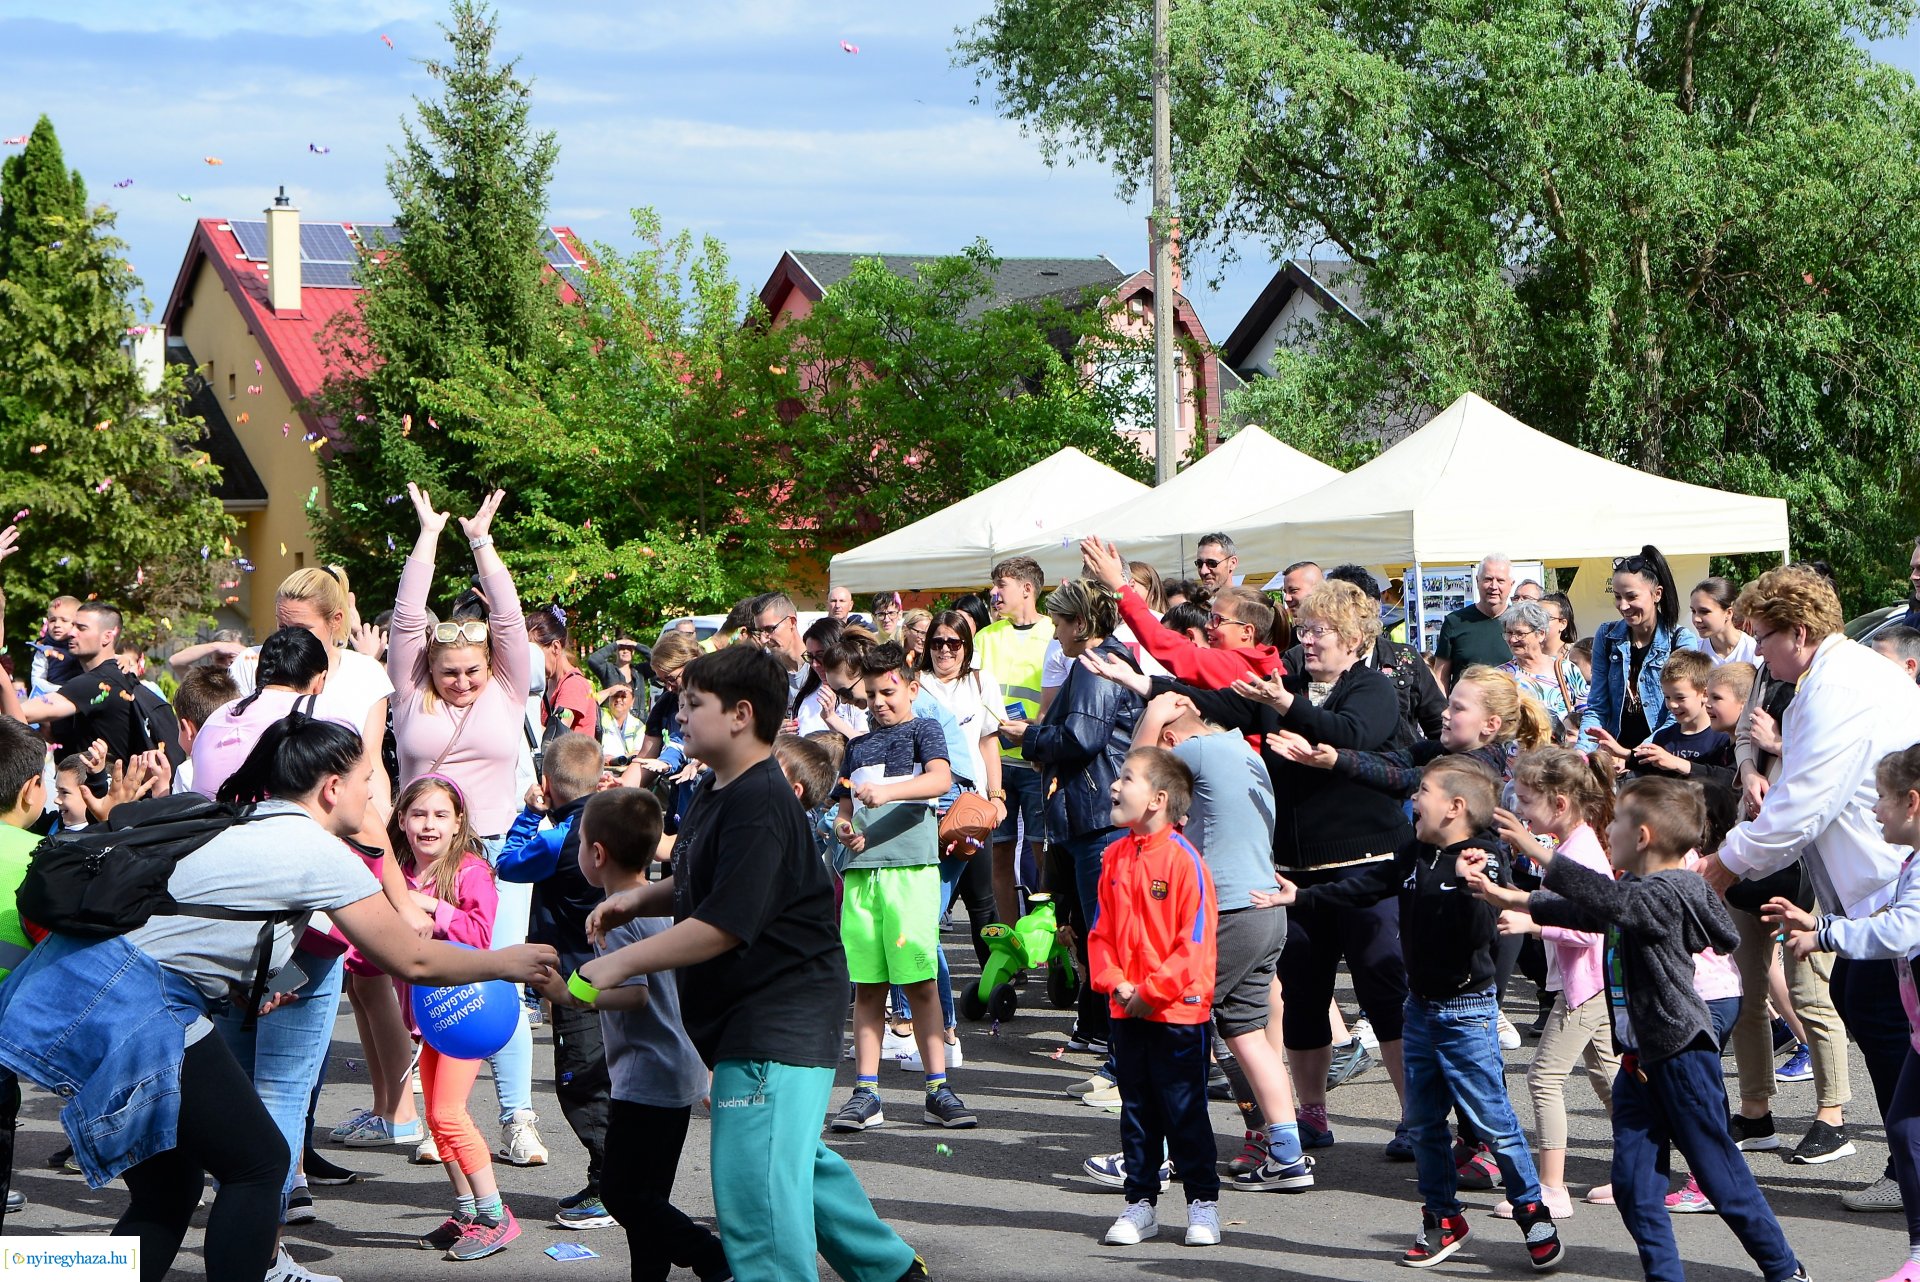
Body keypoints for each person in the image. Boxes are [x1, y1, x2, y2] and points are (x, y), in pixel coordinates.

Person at [0, 717, 559, 1282]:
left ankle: (40, 1273)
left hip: (75, 986)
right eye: (369, 780)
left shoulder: (248, 818)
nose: (374, 795)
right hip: (135, 1004)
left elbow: (196, 922)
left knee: (171, 1189)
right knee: (260, 1165)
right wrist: (506, 962)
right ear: (332, 788)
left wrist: (252, 984)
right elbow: (411, 958)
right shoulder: (316, 849)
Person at [578, 644, 930, 1282]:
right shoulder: (721, 788)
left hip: (774, 1021)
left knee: (757, 1196)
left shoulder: (760, 803)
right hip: (755, 1021)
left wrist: (614, 965)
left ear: (740, 715)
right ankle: (894, 1273)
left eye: (693, 703)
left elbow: (720, 926)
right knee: (794, 1165)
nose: (679, 715)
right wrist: (639, 898)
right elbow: (705, 881)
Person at [1088, 580, 1415, 1149]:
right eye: (1306, 629)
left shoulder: (1372, 686)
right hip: (1293, 874)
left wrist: (1286, 706)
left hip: (1366, 866)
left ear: (1356, 638)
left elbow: (1354, 733)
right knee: (1306, 1000)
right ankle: (1310, 1114)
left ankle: (1415, 1118)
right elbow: (1215, 700)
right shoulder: (1281, 683)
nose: (1308, 640)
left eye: (1321, 632)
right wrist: (1142, 683)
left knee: (1383, 995)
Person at [1475, 777, 1806, 1282]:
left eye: (1619, 824)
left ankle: (1785, 1270)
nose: (1610, 833)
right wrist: (1512, 898)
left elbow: (1610, 903)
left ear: (1644, 836)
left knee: (1720, 1177)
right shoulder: (1637, 890)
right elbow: (1595, 910)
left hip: (1680, 1057)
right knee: (1633, 1185)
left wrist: (1535, 853)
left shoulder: (1669, 891)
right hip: (1640, 1060)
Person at [1274, 756, 1564, 1271]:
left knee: (1493, 1121)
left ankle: (1532, 1211)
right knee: (1425, 1122)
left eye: (1423, 790)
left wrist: (1470, 889)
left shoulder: (1483, 857)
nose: (1414, 798)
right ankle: (1442, 1218)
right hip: (1422, 1010)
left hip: (1465, 1013)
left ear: (1454, 807)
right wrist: (1305, 896)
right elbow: (1371, 884)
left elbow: (1480, 929)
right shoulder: (1417, 851)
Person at [1702, 564, 1920, 1210]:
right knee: (1864, 999)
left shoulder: (1839, 687)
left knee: (1879, 1011)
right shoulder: (1811, 673)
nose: (1756, 649)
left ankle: (1907, 1172)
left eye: (1763, 636)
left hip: (1890, 882)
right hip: (1867, 881)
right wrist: (1747, 777)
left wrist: (1722, 866)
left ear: (1799, 630)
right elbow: (1765, 751)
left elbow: (1801, 808)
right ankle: (1903, 1160)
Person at [386, 483, 547, 1168]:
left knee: (499, 981)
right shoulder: (407, 690)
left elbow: (508, 622)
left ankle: (517, 1119)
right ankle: (436, 1119)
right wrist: (427, 536)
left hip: (493, 857)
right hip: (418, 854)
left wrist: (481, 542)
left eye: (471, 672)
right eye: (448, 671)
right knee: (425, 984)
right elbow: (402, 620)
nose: (459, 681)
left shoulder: (509, 688)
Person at [537, 787, 730, 1282]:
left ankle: (711, 1256)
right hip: (671, 1070)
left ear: (596, 854)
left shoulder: (620, 916)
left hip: (646, 1077)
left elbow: (635, 993)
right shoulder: (662, 907)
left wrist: (569, 993)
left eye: (580, 843)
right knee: (648, 1199)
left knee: (622, 1194)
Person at [1769, 744, 1920, 1282]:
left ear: (1912, 802)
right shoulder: (1910, 863)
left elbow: (1902, 930)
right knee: (1904, 1131)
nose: (1874, 810)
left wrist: (1825, 933)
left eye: (1881, 799)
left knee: (1908, 1132)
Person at [1004, 580, 1144, 1099]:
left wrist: (1028, 737)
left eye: (1060, 622)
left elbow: (1082, 738)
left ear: (1081, 624)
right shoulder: (1096, 663)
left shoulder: (1094, 666)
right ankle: (1114, 1052)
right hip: (1087, 818)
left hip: (1097, 820)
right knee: (1095, 938)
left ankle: (1121, 1064)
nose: (1055, 631)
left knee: (1110, 941)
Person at [827, 644, 976, 1132]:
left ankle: (938, 1088)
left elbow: (940, 778)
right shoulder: (858, 745)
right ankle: (866, 1093)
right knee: (868, 987)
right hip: (862, 875)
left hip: (911, 872)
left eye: (888, 692)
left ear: (912, 688)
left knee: (920, 983)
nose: (879, 702)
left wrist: (888, 792)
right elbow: (845, 806)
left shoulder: (923, 730)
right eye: (870, 694)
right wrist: (844, 828)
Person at [389, 774, 525, 1261]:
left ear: (458, 823)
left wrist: (428, 905)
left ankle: (495, 1214)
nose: (428, 825)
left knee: (448, 1112)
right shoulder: (397, 873)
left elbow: (478, 935)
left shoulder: (471, 872)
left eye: (440, 815)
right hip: (424, 1015)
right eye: (419, 814)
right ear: (401, 820)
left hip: (467, 1013)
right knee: (435, 1117)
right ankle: (467, 1210)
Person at [1091, 748, 1223, 1248]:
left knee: (1184, 1109)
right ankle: (1140, 1202)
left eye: (1126, 778)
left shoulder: (1186, 861)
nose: (1114, 787)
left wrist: (1151, 990)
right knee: (1137, 1107)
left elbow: (1195, 945)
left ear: (1158, 799)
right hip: (1127, 1008)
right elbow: (1100, 933)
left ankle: (1202, 1204)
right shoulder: (1115, 855)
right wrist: (1118, 983)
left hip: (1178, 1012)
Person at [1484, 747, 1619, 1216]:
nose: (1519, 809)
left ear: (1559, 803)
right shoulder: (1572, 845)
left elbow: (1591, 926)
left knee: (1543, 1079)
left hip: (1585, 986)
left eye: (1525, 800)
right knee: (1611, 1081)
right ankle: (1640, 1171)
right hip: (1591, 984)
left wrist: (1532, 924)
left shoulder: (1579, 851)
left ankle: (1553, 1188)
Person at [497, 732, 616, 1229]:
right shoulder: (617, 820)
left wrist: (529, 813)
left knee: (582, 1081)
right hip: (623, 968)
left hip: (576, 976)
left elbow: (508, 864)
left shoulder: (556, 835)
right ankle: (609, 1181)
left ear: (547, 783)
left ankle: (611, 1190)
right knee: (611, 1076)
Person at [175, 565, 398, 826]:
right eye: (282, 626)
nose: (289, 638)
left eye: (303, 628)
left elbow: (371, 758)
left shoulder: (366, 672)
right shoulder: (250, 663)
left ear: (336, 620)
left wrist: (383, 820)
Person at [914, 612, 1006, 971]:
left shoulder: (981, 683)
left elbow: (988, 743)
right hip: (927, 805)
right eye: (937, 642)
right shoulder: (915, 684)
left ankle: (995, 977)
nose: (945, 651)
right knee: (928, 899)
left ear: (966, 646)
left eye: (954, 643)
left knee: (981, 899)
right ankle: (919, 979)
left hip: (971, 804)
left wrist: (996, 797)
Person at [1081, 537, 1280, 690]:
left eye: (1218, 620)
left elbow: (1162, 642)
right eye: (1210, 617)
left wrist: (1117, 585)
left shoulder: (1234, 666)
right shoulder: (1266, 659)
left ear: (1247, 632)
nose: (1209, 625)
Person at [975, 556, 1055, 924]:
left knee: (1043, 859)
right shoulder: (985, 636)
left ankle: (1048, 943)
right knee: (1000, 857)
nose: (994, 593)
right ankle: (1010, 945)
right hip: (997, 764)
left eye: (1001, 585)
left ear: (1027, 589)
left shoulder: (1054, 631)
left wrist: (1037, 735)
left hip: (1039, 760)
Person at [1304, 564, 1444, 750]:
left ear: (1369, 609)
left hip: (1397, 769)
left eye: (1343, 607)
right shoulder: (1305, 658)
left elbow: (1439, 725)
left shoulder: (1404, 659)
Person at [1578, 546, 1700, 754]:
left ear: (1657, 594)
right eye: (1617, 597)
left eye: (1631, 597)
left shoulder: (1681, 640)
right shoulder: (1606, 636)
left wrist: (1631, 756)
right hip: (1613, 755)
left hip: (1660, 756)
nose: (1623, 606)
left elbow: (1677, 716)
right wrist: (1582, 752)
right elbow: (1597, 707)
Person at [188, 627, 330, 799]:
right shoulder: (322, 712)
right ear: (321, 680)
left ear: (257, 674)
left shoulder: (216, 717)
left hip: (210, 822)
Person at [18, 600, 156, 766]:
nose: (71, 632)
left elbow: (22, 713)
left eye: (81, 628)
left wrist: (3, 680)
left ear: (107, 636)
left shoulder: (97, 683)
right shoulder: (116, 675)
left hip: (97, 790)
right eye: (73, 625)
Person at [1618, 649, 1731, 783]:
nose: (1672, 704)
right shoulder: (1663, 738)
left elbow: (1728, 779)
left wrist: (1677, 763)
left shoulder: (1723, 739)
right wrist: (1620, 752)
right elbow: (1652, 771)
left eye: (1680, 697)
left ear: (1705, 694)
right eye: (1667, 697)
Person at [1499, 600, 1587, 742]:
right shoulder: (1500, 677)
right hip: (1517, 759)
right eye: (1509, 633)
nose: (1513, 639)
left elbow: (1586, 716)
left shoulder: (1566, 669)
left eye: (1520, 633)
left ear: (1540, 634)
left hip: (1559, 757)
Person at [1432, 555, 1515, 690]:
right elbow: (1441, 677)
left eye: (1500, 580)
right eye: (1488, 579)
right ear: (1477, 581)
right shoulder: (1454, 622)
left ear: (1511, 584)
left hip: (1508, 709)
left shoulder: (1520, 624)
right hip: (1465, 708)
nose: (1493, 586)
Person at [530, 605, 599, 741]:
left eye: (534, 653)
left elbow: (556, 735)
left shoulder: (574, 685)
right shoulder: (548, 684)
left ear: (555, 647)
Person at [1691, 577, 1757, 666]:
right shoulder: (1694, 651)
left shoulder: (1753, 650)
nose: (1696, 619)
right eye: (1693, 611)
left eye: (1704, 611)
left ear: (1729, 613)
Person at [598, 685, 646, 763]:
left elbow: (641, 752)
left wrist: (616, 760)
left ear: (632, 701)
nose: (619, 699)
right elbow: (587, 704)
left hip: (627, 770)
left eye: (623, 696)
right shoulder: (600, 715)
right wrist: (609, 691)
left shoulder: (638, 725)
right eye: (615, 696)